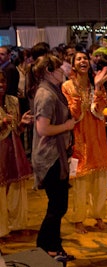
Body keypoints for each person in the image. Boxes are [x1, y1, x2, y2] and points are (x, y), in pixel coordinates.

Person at [31, 55, 75, 262]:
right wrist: (67, 126)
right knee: (58, 205)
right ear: (49, 70)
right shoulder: (46, 94)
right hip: (49, 157)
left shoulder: (53, 91)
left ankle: (54, 246)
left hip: (57, 155)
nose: (63, 69)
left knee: (58, 204)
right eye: (59, 67)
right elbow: (43, 128)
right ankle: (44, 245)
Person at [62, 51, 107, 234]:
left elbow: (100, 108)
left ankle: (98, 215)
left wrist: (98, 87)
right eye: (78, 59)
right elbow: (72, 113)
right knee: (80, 182)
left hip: (97, 137)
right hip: (79, 138)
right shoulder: (67, 86)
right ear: (73, 65)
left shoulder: (94, 85)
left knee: (99, 179)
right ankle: (78, 219)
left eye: (85, 58)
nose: (83, 61)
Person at [0, 70, 33, 241]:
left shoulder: (13, 101)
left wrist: (22, 124)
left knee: (16, 188)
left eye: (3, 81)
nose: (1, 85)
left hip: (14, 148)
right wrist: (1, 123)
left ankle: (17, 224)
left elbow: (17, 130)